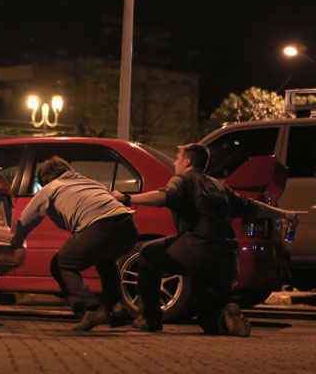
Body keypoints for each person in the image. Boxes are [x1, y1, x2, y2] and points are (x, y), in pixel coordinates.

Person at [113, 143, 300, 336]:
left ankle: (150, 319)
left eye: (178, 158)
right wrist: (283, 214)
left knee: (148, 254)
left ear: (187, 161)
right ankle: (225, 315)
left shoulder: (183, 179)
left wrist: (128, 199)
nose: (175, 162)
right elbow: (251, 206)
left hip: (198, 247)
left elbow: (164, 197)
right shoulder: (219, 185)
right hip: (227, 257)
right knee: (208, 320)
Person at [11, 156, 138, 331]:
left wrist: (16, 242)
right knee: (105, 261)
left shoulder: (50, 188)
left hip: (100, 225)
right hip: (127, 226)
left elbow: (26, 220)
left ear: (45, 180)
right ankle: (112, 308)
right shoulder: (90, 182)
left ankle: (89, 308)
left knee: (62, 262)